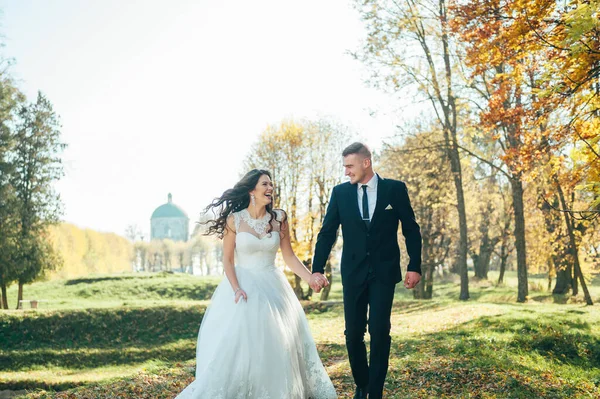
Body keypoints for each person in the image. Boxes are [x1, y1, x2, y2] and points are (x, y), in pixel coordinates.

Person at [175, 169, 337, 399]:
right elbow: (228, 261)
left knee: (278, 341)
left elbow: (289, 256)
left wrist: (310, 277)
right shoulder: (235, 220)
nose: (270, 188)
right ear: (252, 190)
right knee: (242, 345)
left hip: (274, 286)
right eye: (265, 184)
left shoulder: (279, 218)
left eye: (271, 184)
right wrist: (236, 288)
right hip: (244, 286)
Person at [312, 142, 422, 399]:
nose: (346, 172)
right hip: (353, 272)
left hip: (384, 272)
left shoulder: (394, 189)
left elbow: (410, 228)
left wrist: (414, 266)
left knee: (380, 330)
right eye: (344, 167)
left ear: (366, 162)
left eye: (349, 166)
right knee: (353, 335)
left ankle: (375, 392)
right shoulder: (340, 193)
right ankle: (363, 383)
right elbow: (327, 233)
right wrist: (317, 268)